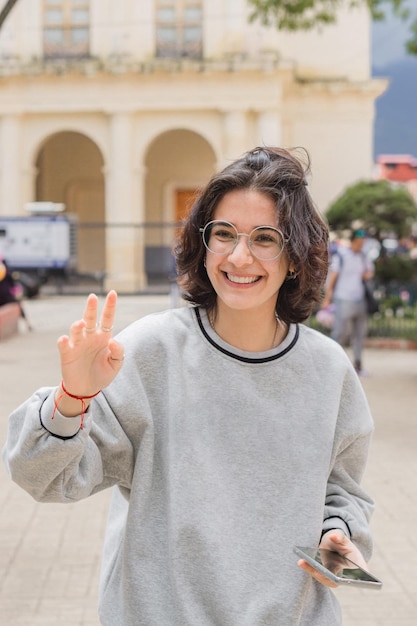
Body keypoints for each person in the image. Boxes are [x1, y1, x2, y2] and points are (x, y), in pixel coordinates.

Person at [3, 147, 375, 626]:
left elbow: (343, 492)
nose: (240, 257)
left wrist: (339, 533)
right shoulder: (148, 352)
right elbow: (46, 479)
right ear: (204, 246)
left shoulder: (328, 370)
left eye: (265, 238)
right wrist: (71, 399)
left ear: (297, 258)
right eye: (224, 234)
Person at [321, 229, 375, 376]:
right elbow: (333, 279)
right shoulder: (342, 257)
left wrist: (367, 274)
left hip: (360, 300)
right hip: (343, 299)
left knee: (359, 334)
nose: (361, 245)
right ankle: (333, 365)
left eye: (363, 242)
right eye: (359, 242)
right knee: (340, 333)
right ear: (353, 241)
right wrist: (327, 299)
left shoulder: (364, 257)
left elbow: (370, 273)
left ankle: (358, 365)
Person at [0, 257, 32, 331]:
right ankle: (28, 323)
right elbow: (13, 282)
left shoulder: (5, 270)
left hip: (4, 296)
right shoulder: (7, 270)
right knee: (19, 304)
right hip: (8, 296)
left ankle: (28, 323)